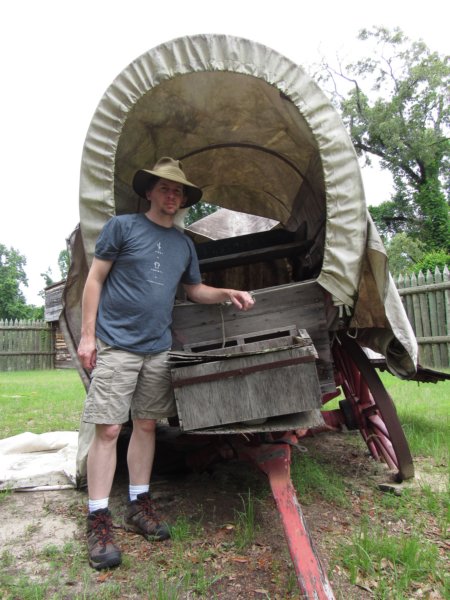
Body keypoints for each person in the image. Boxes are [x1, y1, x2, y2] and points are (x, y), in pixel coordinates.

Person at [77, 157, 255, 570]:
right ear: (149, 192)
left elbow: (194, 290)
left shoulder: (183, 244)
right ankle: (98, 519)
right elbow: (95, 279)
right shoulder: (122, 227)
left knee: (146, 425)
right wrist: (88, 336)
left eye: (178, 190)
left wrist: (226, 292)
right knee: (108, 428)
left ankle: (138, 504)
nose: (172, 195)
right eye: (165, 188)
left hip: (157, 348)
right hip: (117, 344)